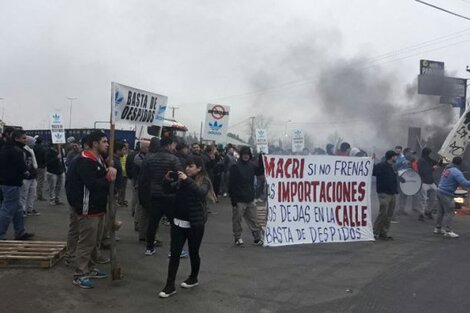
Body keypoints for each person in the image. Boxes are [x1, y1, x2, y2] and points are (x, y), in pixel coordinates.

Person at [158, 156, 216, 298]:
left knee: (193, 252)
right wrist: (166, 180)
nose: (187, 168)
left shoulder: (204, 181)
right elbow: (168, 190)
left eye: (191, 166)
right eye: (187, 166)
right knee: (174, 254)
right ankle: (169, 285)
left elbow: (200, 193)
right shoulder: (182, 180)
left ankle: (193, 277)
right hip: (178, 222)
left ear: (199, 168)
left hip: (195, 224)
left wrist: (186, 180)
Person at [65, 131, 117, 288]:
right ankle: (80, 274)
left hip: (98, 207)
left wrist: (109, 170)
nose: (107, 144)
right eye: (104, 141)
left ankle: (91, 267)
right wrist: (108, 178)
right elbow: (93, 184)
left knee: (95, 241)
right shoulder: (85, 160)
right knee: (87, 242)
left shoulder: (99, 159)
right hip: (88, 208)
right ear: (95, 143)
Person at [139, 137, 182, 255]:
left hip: (154, 194)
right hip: (170, 195)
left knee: (153, 223)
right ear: (168, 145)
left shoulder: (150, 159)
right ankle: (174, 250)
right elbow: (180, 176)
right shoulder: (174, 159)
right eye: (173, 145)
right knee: (175, 224)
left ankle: (149, 248)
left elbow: (145, 178)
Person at [0, 129, 35, 240]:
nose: (26, 140)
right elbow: (22, 167)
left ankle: (20, 232)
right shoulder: (16, 151)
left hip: (7, 181)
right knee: (8, 208)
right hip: (12, 182)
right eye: (23, 138)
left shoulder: (6, 148)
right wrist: (28, 173)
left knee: (18, 208)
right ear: (16, 138)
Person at [229, 146, 264, 246]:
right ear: (241, 155)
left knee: (253, 219)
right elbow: (231, 184)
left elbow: (260, 171)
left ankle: (257, 238)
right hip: (239, 198)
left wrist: (261, 157)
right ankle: (237, 238)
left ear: (250, 155)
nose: (246, 156)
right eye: (244, 154)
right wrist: (233, 199)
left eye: (247, 154)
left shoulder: (251, 166)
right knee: (237, 220)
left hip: (249, 198)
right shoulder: (235, 166)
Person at [434, 157, 470, 238]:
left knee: (441, 211)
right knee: (450, 212)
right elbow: (464, 183)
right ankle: (448, 231)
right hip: (446, 194)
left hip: (440, 191)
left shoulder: (448, 169)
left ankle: (438, 228)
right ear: (460, 163)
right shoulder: (456, 172)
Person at [373, 150, 399, 240]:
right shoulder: (381, 166)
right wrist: (371, 161)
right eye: (395, 156)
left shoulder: (393, 167)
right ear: (392, 157)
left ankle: (384, 232)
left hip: (392, 193)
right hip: (383, 193)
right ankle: (375, 232)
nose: (396, 158)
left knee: (389, 215)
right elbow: (373, 172)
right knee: (383, 213)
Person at [417, 147, 438, 221]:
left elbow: (435, 162)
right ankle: (421, 214)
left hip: (431, 182)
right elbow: (424, 171)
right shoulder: (421, 161)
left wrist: (441, 161)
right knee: (423, 199)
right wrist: (433, 168)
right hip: (423, 182)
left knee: (434, 198)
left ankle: (428, 211)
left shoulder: (428, 159)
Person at [20, 136, 39, 216]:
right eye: (33, 142)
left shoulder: (31, 150)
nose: (34, 144)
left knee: (32, 193)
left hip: (33, 175)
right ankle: (22, 210)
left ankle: (30, 209)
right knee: (24, 194)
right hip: (26, 176)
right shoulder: (23, 151)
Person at [33, 136, 47, 201]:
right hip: (41, 166)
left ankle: (33, 195)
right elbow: (45, 157)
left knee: (34, 181)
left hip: (34, 166)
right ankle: (39, 195)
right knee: (40, 182)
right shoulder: (43, 148)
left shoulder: (33, 148)